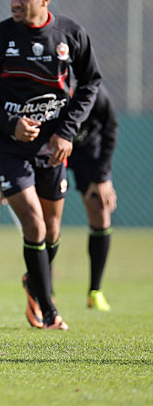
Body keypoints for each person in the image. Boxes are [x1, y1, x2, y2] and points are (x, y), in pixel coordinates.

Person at [0, 0, 101, 331]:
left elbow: (90, 83)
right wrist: (10, 124)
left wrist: (66, 132)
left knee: (52, 231)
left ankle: (34, 281)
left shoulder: (70, 35)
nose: (15, 2)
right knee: (34, 223)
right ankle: (48, 308)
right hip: (8, 147)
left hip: (52, 148)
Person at [69, 83, 117, 311]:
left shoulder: (95, 93)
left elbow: (111, 128)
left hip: (88, 150)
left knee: (100, 210)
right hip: (51, 146)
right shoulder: (46, 88)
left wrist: (102, 176)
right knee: (45, 217)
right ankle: (44, 293)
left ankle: (94, 292)